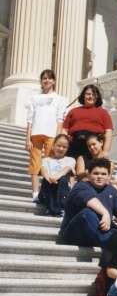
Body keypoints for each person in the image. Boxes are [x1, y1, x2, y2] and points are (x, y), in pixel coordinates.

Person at [59, 158, 117, 247]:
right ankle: (112, 246)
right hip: (75, 233)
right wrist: (105, 213)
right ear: (88, 174)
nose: (100, 176)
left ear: (109, 176)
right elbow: (89, 200)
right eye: (96, 173)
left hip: (100, 230)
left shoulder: (112, 190)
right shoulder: (80, 186)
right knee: (87, 213)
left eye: (103, 174)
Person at [26, 69, 67, 201]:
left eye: (49, 78)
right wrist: (28, 138)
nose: (47, 80)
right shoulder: (35, 98)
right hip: (36, 133)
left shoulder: (59, 99)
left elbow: (60, 119)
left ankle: (49, 193)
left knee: (50, 165)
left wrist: (57, 138)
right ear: (41, 81)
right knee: (35, 164)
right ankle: (35, 194)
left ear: (54, 81)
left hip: (51, 135)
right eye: (44, 78)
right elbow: (30, 119)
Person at [62, 84, 113, 166]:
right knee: (69, 169)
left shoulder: (103, 113)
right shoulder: (73, 111)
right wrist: (63, 143)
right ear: (83, 95)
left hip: (93, 145)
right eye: (88, 94)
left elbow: (108, 132)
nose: (91, 96)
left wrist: (106, 150)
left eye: (93, 94)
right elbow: (64, 130)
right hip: (74, 143)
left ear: (97, 97)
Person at [38, 133, 75, 216]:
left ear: (67, 148)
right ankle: (51, 208)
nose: (61, 149)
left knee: (63, 179)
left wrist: (57, 177)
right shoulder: (46, 160)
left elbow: (67, 169)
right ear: (53, 146)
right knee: (46, 180)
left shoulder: (70, 160)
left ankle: (60, 208)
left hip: (62, 189)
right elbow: (44, 170)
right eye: (58, 145)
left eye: (64, 147)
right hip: (49, 186)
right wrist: (49, 177)